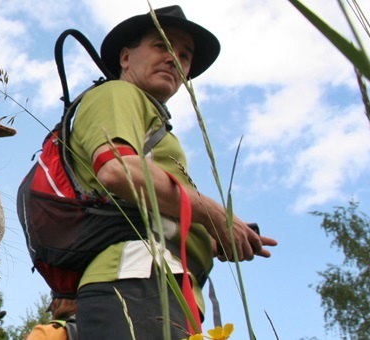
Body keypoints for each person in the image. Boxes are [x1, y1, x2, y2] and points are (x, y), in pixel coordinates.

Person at [57, 5, 277, 339]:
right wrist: (214, 213)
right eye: (161, 45)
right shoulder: (117, 93)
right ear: (126, 57)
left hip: (160, 286)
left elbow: (146, 202)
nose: (174, 58)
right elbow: (118, 170)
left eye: (185, 55)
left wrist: (212, 235)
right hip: (137, 281)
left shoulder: (150, 118)